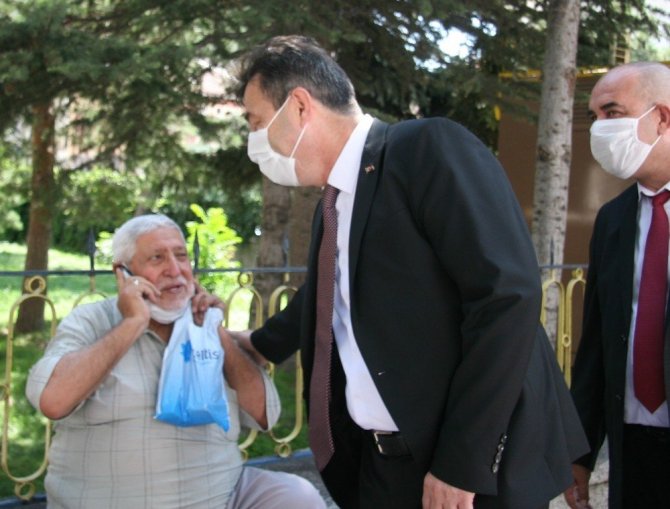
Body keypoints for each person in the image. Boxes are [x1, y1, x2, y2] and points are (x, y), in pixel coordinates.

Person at [232, 35, 588, 509]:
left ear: (299, 106)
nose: (254, 142)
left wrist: (462, 461)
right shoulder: (333, 203)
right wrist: (255, 344)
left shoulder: (425, 149)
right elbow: (327, 296)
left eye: (256, 122)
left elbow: (506, 297)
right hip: (383, 467)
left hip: (466, 471)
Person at [25, 214, 326, 509]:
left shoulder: (205, 326)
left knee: (298, 497)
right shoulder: (92, 321)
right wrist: (132, 323)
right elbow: (53, 400)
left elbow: (265, 415)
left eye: (181, 256)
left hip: (221, 496)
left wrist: (216, 331)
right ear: (123, 272)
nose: (175, 269)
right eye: (157, 258)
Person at [563, 61, 670, 509]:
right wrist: (579, 453)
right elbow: (597, 345)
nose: (600, 129)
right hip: (633, 447)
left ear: (661, 117)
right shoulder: (613, 220)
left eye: (612, 113)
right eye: (594, 117)